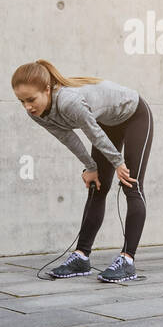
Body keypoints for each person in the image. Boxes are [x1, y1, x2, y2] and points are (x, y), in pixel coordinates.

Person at [12, 59, 153, 282]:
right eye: (21, 101)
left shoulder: (69, 102)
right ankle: (81, 256)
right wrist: (90, 167)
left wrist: (118, 163)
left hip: (134, 114)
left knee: (131, 185)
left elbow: (93, 134)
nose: (27, 106)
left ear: (47, 89)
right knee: (97, 187)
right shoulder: (36, 112)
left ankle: (127, 260)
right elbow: (68, 137)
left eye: (31, 99)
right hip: (106, 124)